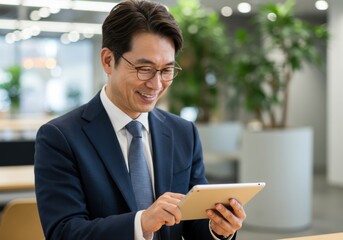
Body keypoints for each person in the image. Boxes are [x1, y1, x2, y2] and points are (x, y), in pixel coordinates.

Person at [34, 0, 246, 239]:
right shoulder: (60, 137)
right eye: (144, 69)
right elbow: (63, 232)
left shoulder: (183, 132)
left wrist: (218, 228)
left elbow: (194, 223)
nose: (156, 85)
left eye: (166, 70)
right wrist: (141, 222)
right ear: (107, 61)